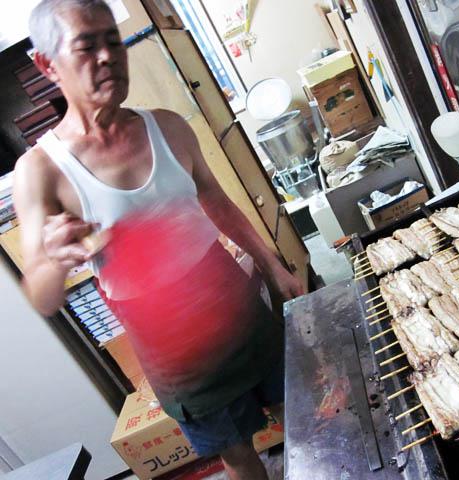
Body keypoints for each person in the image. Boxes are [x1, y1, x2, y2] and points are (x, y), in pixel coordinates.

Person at [13, 1, 303, 479]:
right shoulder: (41, 171)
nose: (108, 57)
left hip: (238, 308)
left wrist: (273, 267)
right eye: (86, 46)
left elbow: (218, 203)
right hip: (177, 355)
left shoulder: (168, 126)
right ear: (48, 65)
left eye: (113, 41)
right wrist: (56, 260)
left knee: (303, 407)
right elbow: (41, 296)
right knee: (238, 455)